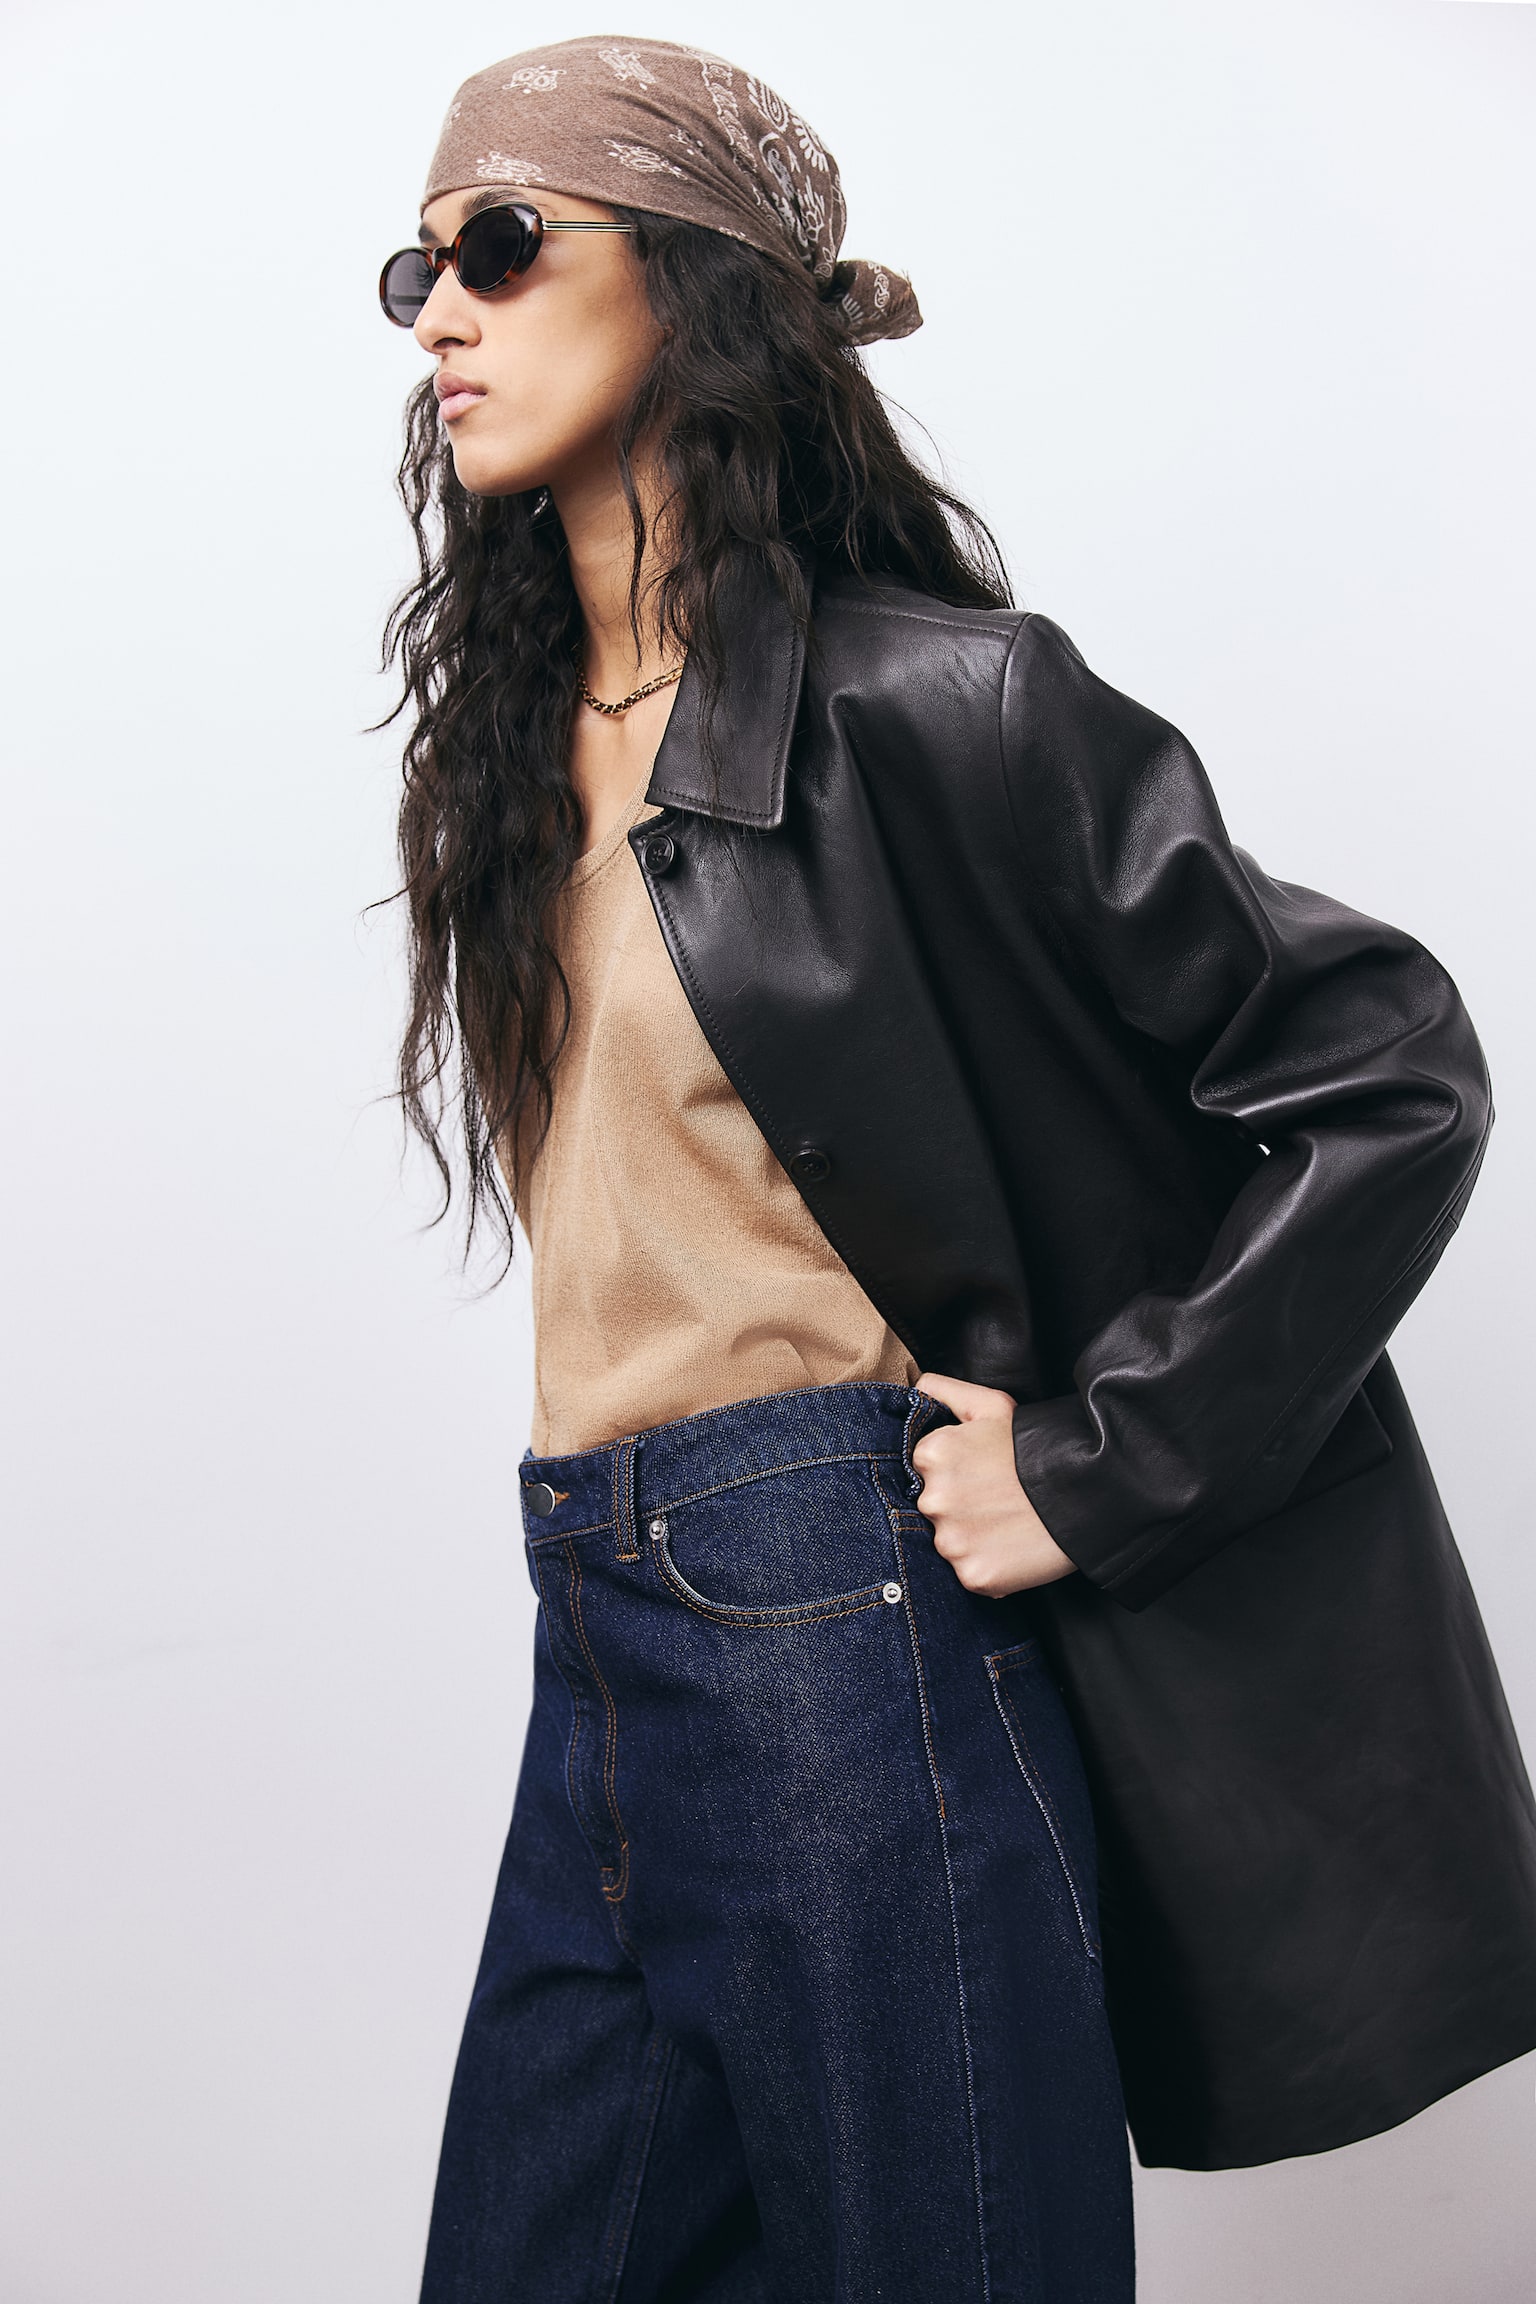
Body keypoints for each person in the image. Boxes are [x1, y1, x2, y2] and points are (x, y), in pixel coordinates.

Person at [377, 35, 1536, 2304]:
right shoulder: (511, 762)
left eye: (501, 246)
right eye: (415, 269)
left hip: (840, 1618)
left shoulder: (942, 706)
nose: (443, 316)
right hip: (591, 1625)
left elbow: (1389, 1070)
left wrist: (1111, 1463)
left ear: (689, 282)